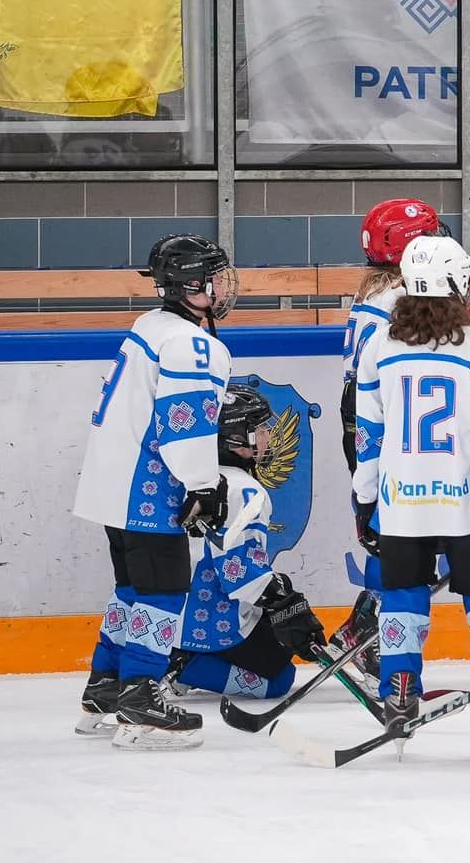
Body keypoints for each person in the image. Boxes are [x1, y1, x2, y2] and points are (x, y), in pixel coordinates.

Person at [351, 235, 470, 754]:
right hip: (467, 502)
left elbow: (369, 435)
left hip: (400, 502)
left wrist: (366, 497)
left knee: (402, 600)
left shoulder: (379, 346)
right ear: (457, 283)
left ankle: (400, 691)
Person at [71, 233, 238, 750]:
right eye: (214, 277)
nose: (223, 286)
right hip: (147, 490)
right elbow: (183, 425)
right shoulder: (192, 344)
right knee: (164, 591)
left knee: (132, 589)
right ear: (192, 285)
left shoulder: (152, 326)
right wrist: (204, 486)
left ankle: (106, 686)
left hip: (111, 486)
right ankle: (141, 699)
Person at [330, 197, 444, 681]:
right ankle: (366, 634)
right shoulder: (403, 297)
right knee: (403, 537)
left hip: (364, 414)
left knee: (395, 534)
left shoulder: (373, 290)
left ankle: (360, 629)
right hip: (386, 418)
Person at [162, 384, 329, 702]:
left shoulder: (194, 479)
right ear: (235, 439)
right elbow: (239, 573)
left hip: (171, 612)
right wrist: (285, 603)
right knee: (278, 676)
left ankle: (177, 654)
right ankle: (184, 665)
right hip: (207, 619)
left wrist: (280, 596)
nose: (268, 435)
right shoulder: (244, 490)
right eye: (261, 428)